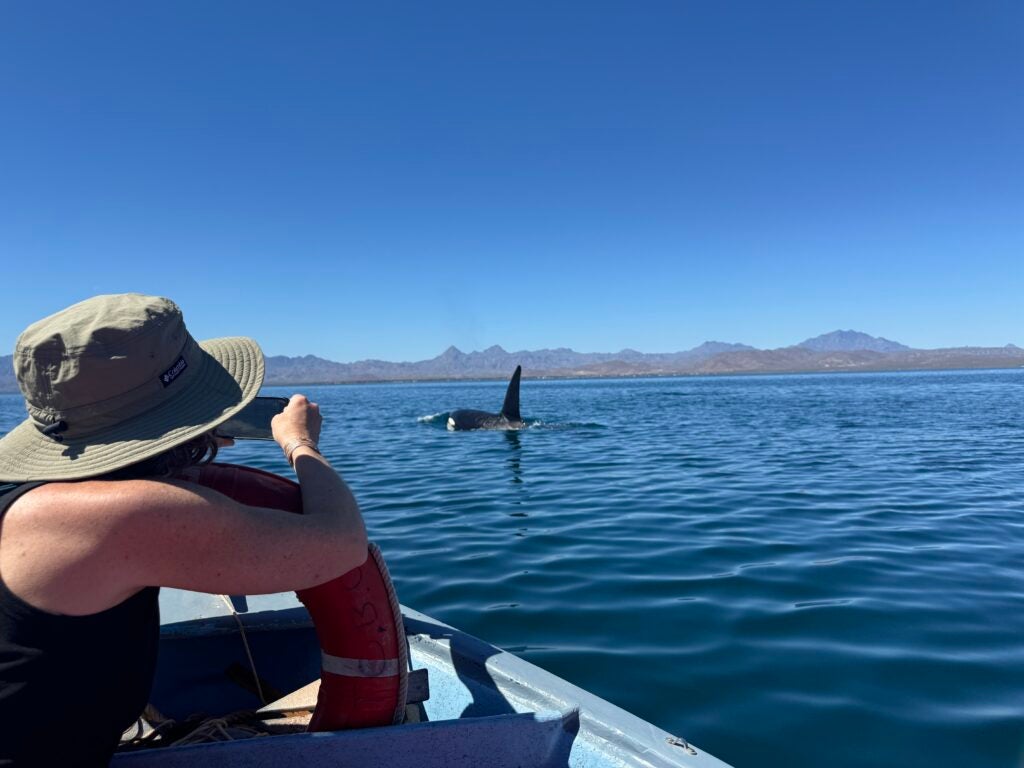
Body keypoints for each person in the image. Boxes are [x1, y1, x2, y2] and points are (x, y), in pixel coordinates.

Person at [0, 293, 368, 767]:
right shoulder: (125, 515)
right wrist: (299, 444)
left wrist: (174, 438)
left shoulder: (32, 499)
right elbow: (342, 543)